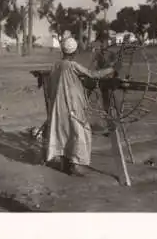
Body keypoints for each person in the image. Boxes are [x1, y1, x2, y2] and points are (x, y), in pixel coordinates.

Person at [46, 37, 119, 177]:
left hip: (58, 106)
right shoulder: (72, 65)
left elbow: (51, 86)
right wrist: (111, 69)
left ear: (63, 51)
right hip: (72, 105)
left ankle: (64, 163)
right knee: (79, 132)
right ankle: (77, 165)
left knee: (63, 132)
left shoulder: (55, 66)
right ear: (74, 52)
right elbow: (93, 75)